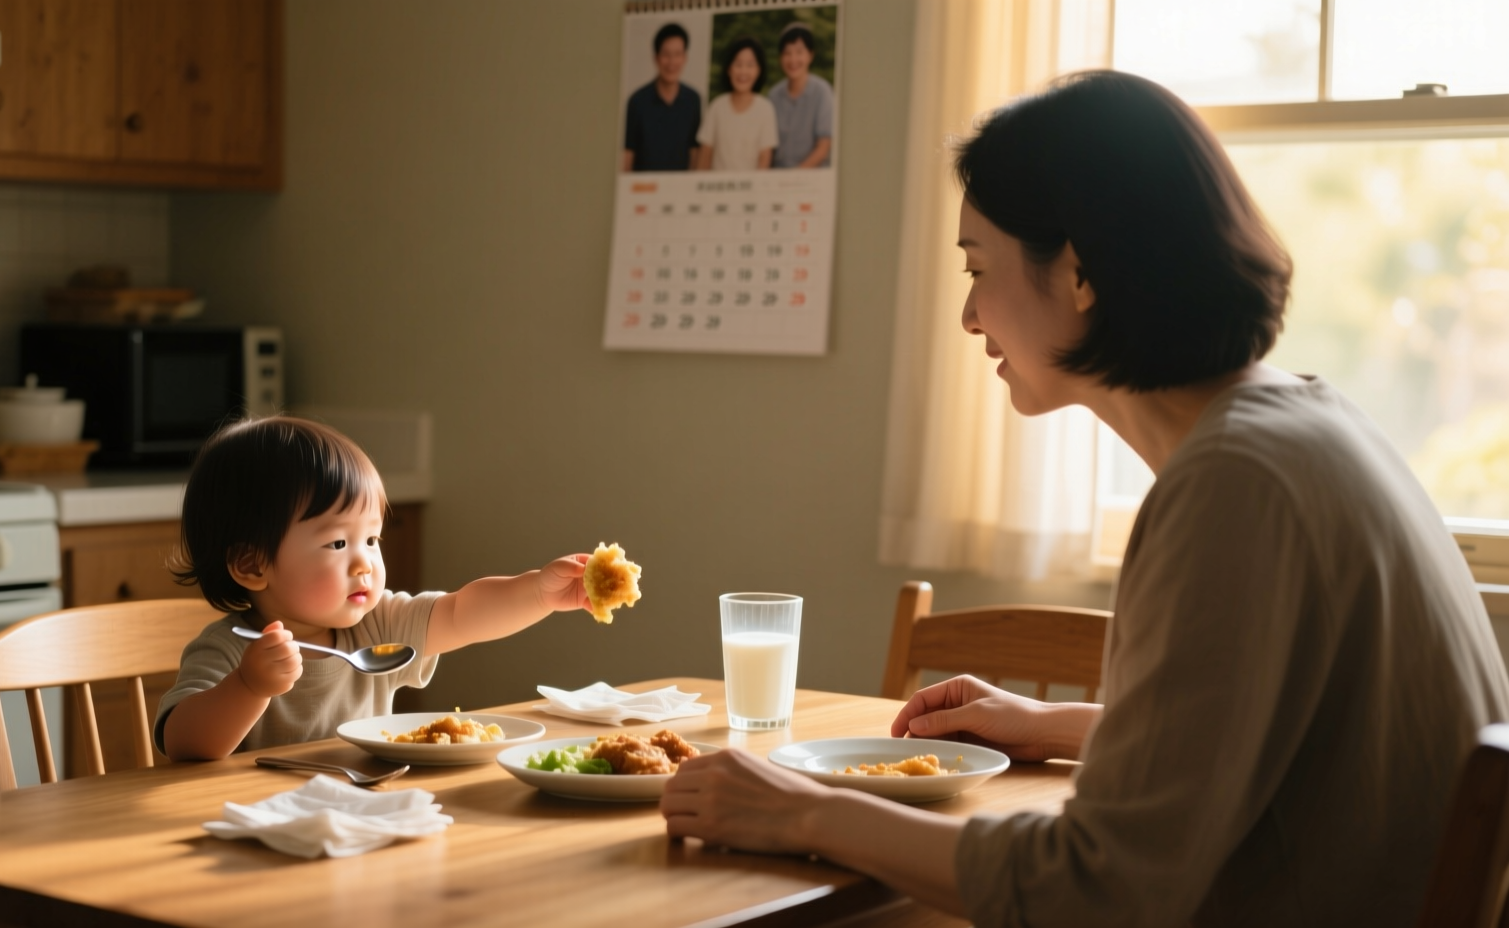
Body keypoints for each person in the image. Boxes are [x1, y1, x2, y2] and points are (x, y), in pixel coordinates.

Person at [661, 71, 1509, 927]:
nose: (967, 315)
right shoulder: (1311, 423)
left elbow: (1096, 889)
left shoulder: (1234, 486)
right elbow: (1282, 749)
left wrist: (802, 812)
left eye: (978, 267)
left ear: (1079, 272)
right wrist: (1055, 725)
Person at [157, 417, 592, 760]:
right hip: (260, 830)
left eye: (371, 539)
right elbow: (185, 744)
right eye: (338, 543)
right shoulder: (229, 649)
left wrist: (538, 592)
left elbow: (464, 613)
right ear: (252, 565)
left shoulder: (377, 626)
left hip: (362, 811)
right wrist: (247, 687)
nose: (365, 561)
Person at [622, 23, 702, 172]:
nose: (672, 62)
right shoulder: (637, 101)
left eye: (677, 54)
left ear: (685, 58)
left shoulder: (693, 99)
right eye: (666, 54)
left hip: (680, 189)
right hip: (644, 190)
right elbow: (627, 154)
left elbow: (694, 152)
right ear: (656, 58)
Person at [696, 36, 777, 171]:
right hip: (716, 190)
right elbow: (705, 156)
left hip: (751, 190)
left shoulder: (765, 109)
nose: (743, 71)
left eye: (750, 65)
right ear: (729, 69)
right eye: (738, 64)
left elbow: (765, 159)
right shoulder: (716, 106)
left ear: (759, 70)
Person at [766, 23, 833, 169]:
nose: (793, 59)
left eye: (799, 52)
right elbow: (768, 148)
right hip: (776, 181)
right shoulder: (773, 95)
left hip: (813, 180)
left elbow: (824, 146)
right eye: (787, 53)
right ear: (780, 58)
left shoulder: (822, 91)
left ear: (810, 55)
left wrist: (795, 177)